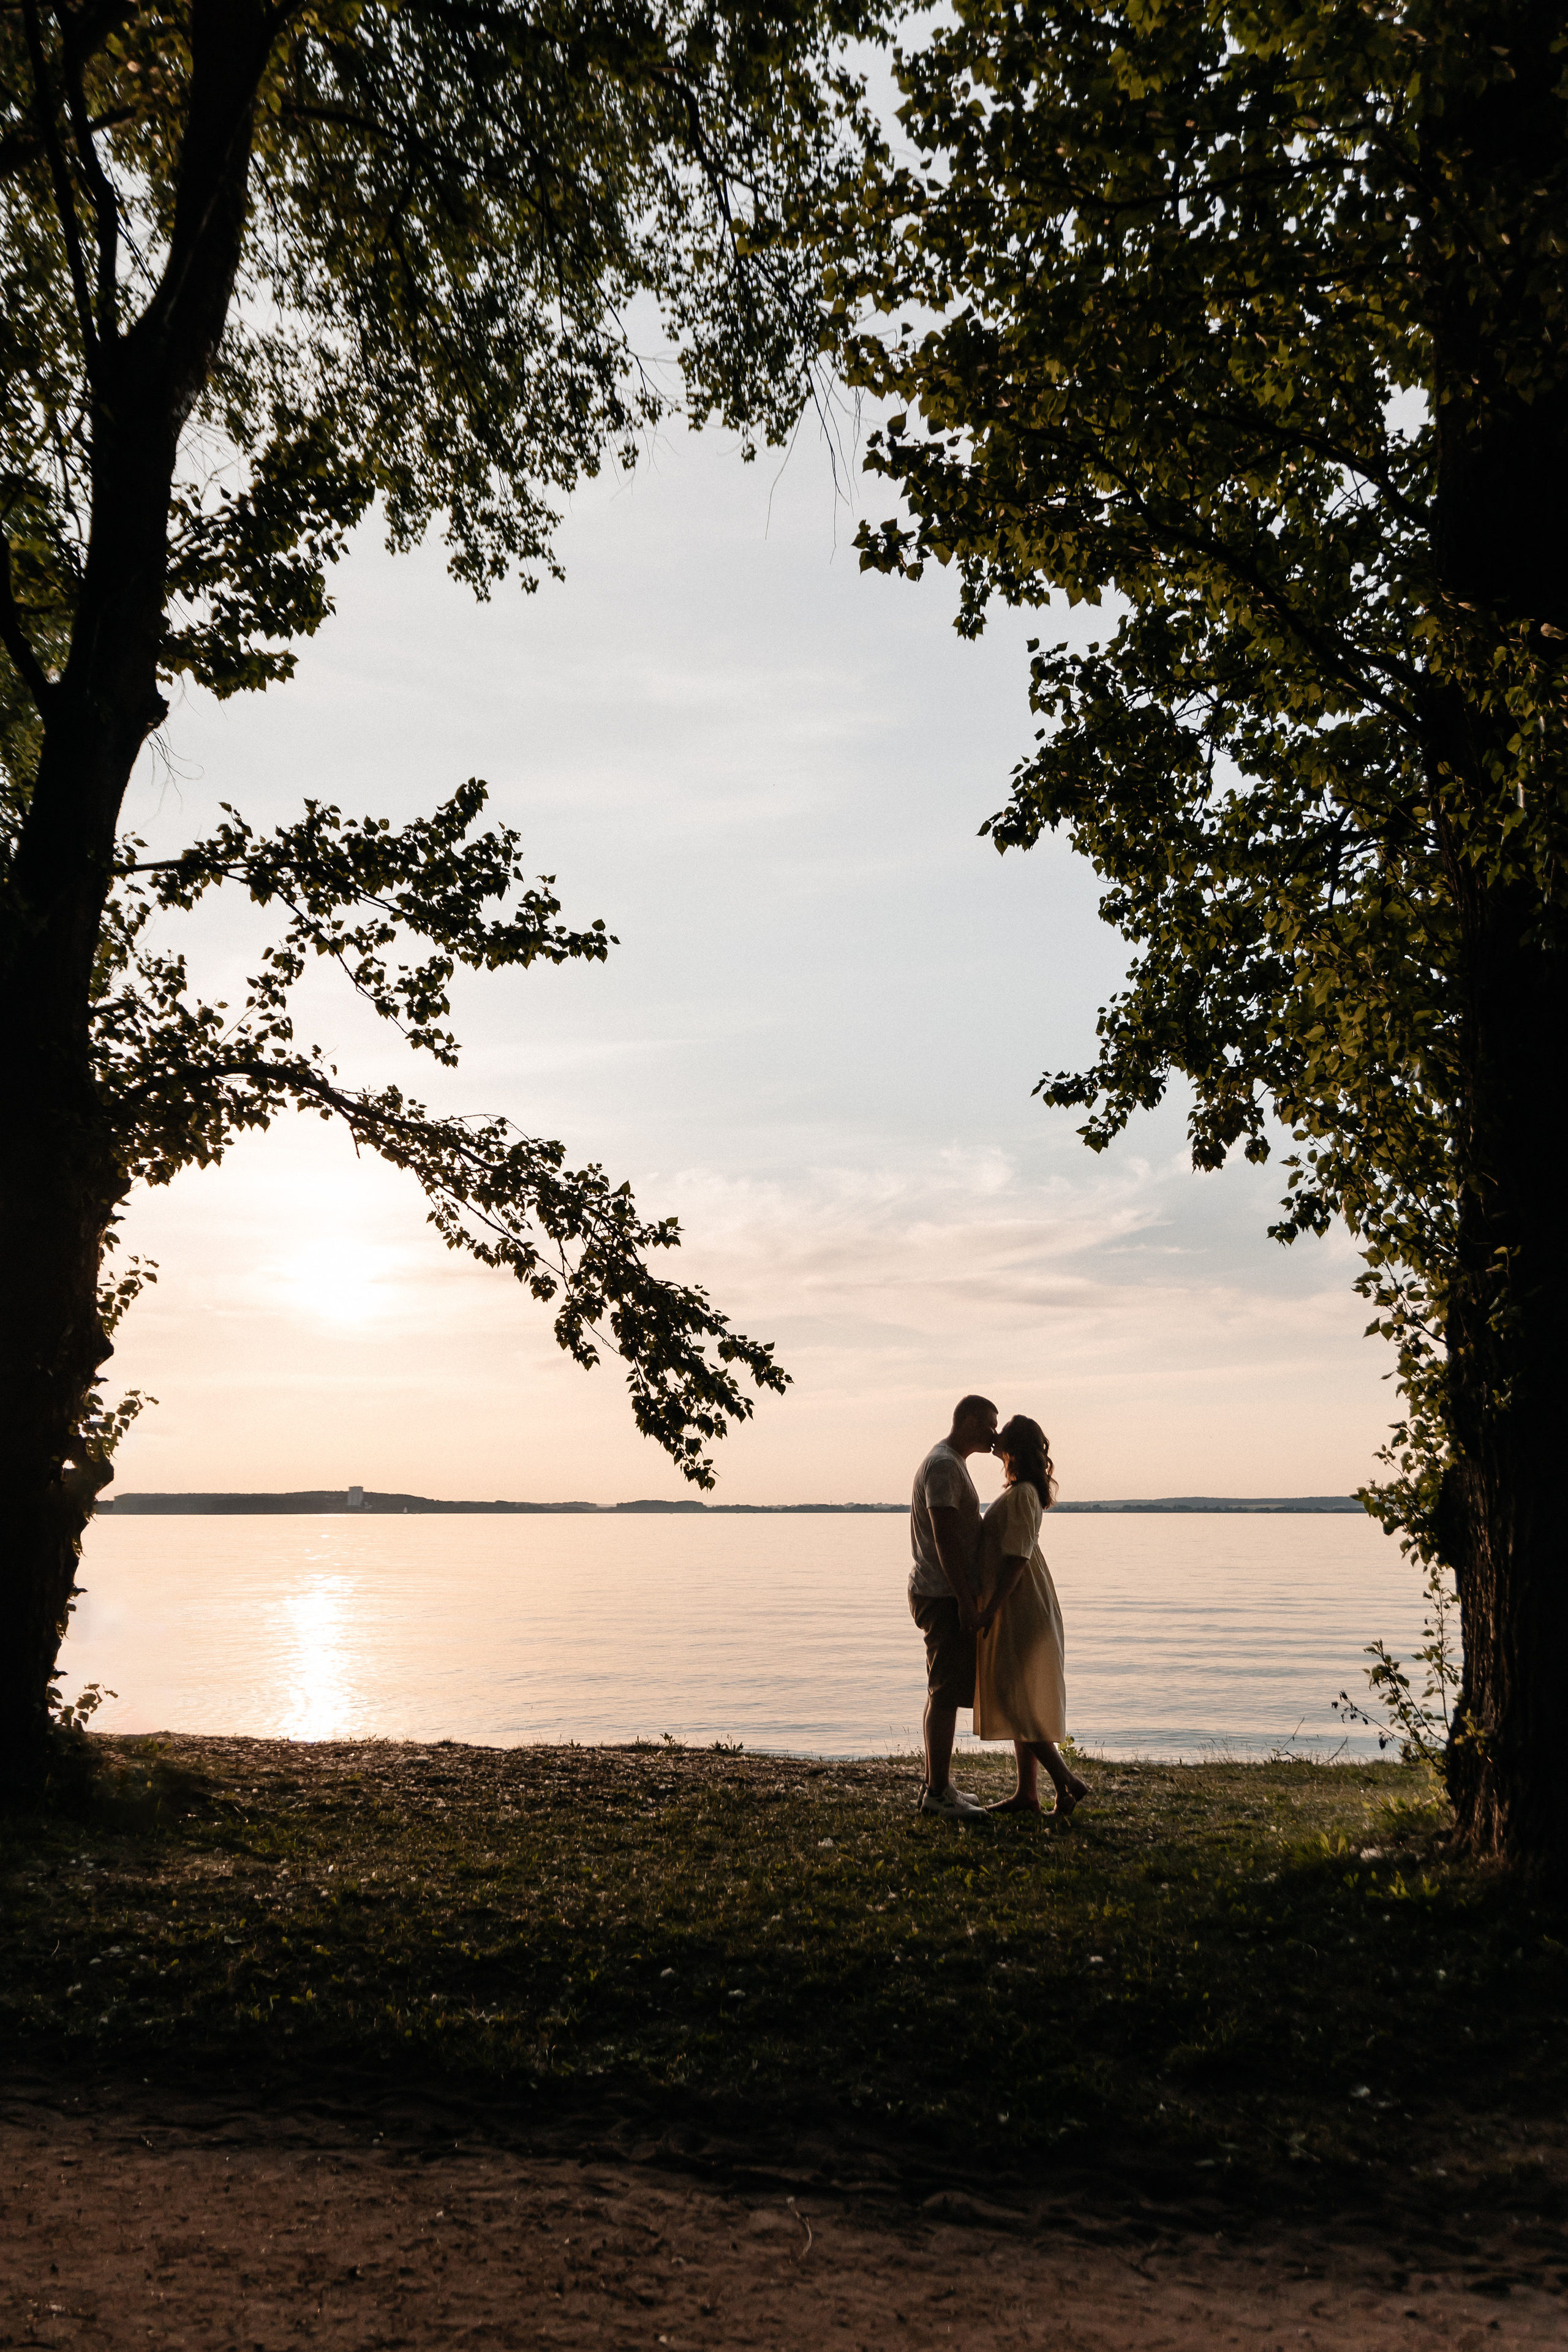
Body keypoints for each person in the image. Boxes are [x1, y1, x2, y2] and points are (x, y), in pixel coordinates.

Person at [974, 1414, 1091, 1819]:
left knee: (1014, 1698)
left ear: (1016, 1444)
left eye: (1003, 1429)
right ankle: (1028, 1794)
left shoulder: (1023, 1493)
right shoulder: (1020, 1491)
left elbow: (1018, 1559)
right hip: (1016, 1602)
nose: (996, 1433)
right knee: (1019, 1696)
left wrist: (990, 1609)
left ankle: (1067, 1781)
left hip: (1020, 1604)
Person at [908, 1394, 997, 1821]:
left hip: (942, 1591)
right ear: (970, 1420)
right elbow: (944, 1539)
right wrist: (965, 1600)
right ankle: (938, 1794)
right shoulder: (944, 1465)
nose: (995, 1434)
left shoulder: (951, 1463)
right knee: (944, 1694)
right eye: (990, 1425)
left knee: (939, 1689)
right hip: (942, 1594)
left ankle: (936, 1785)